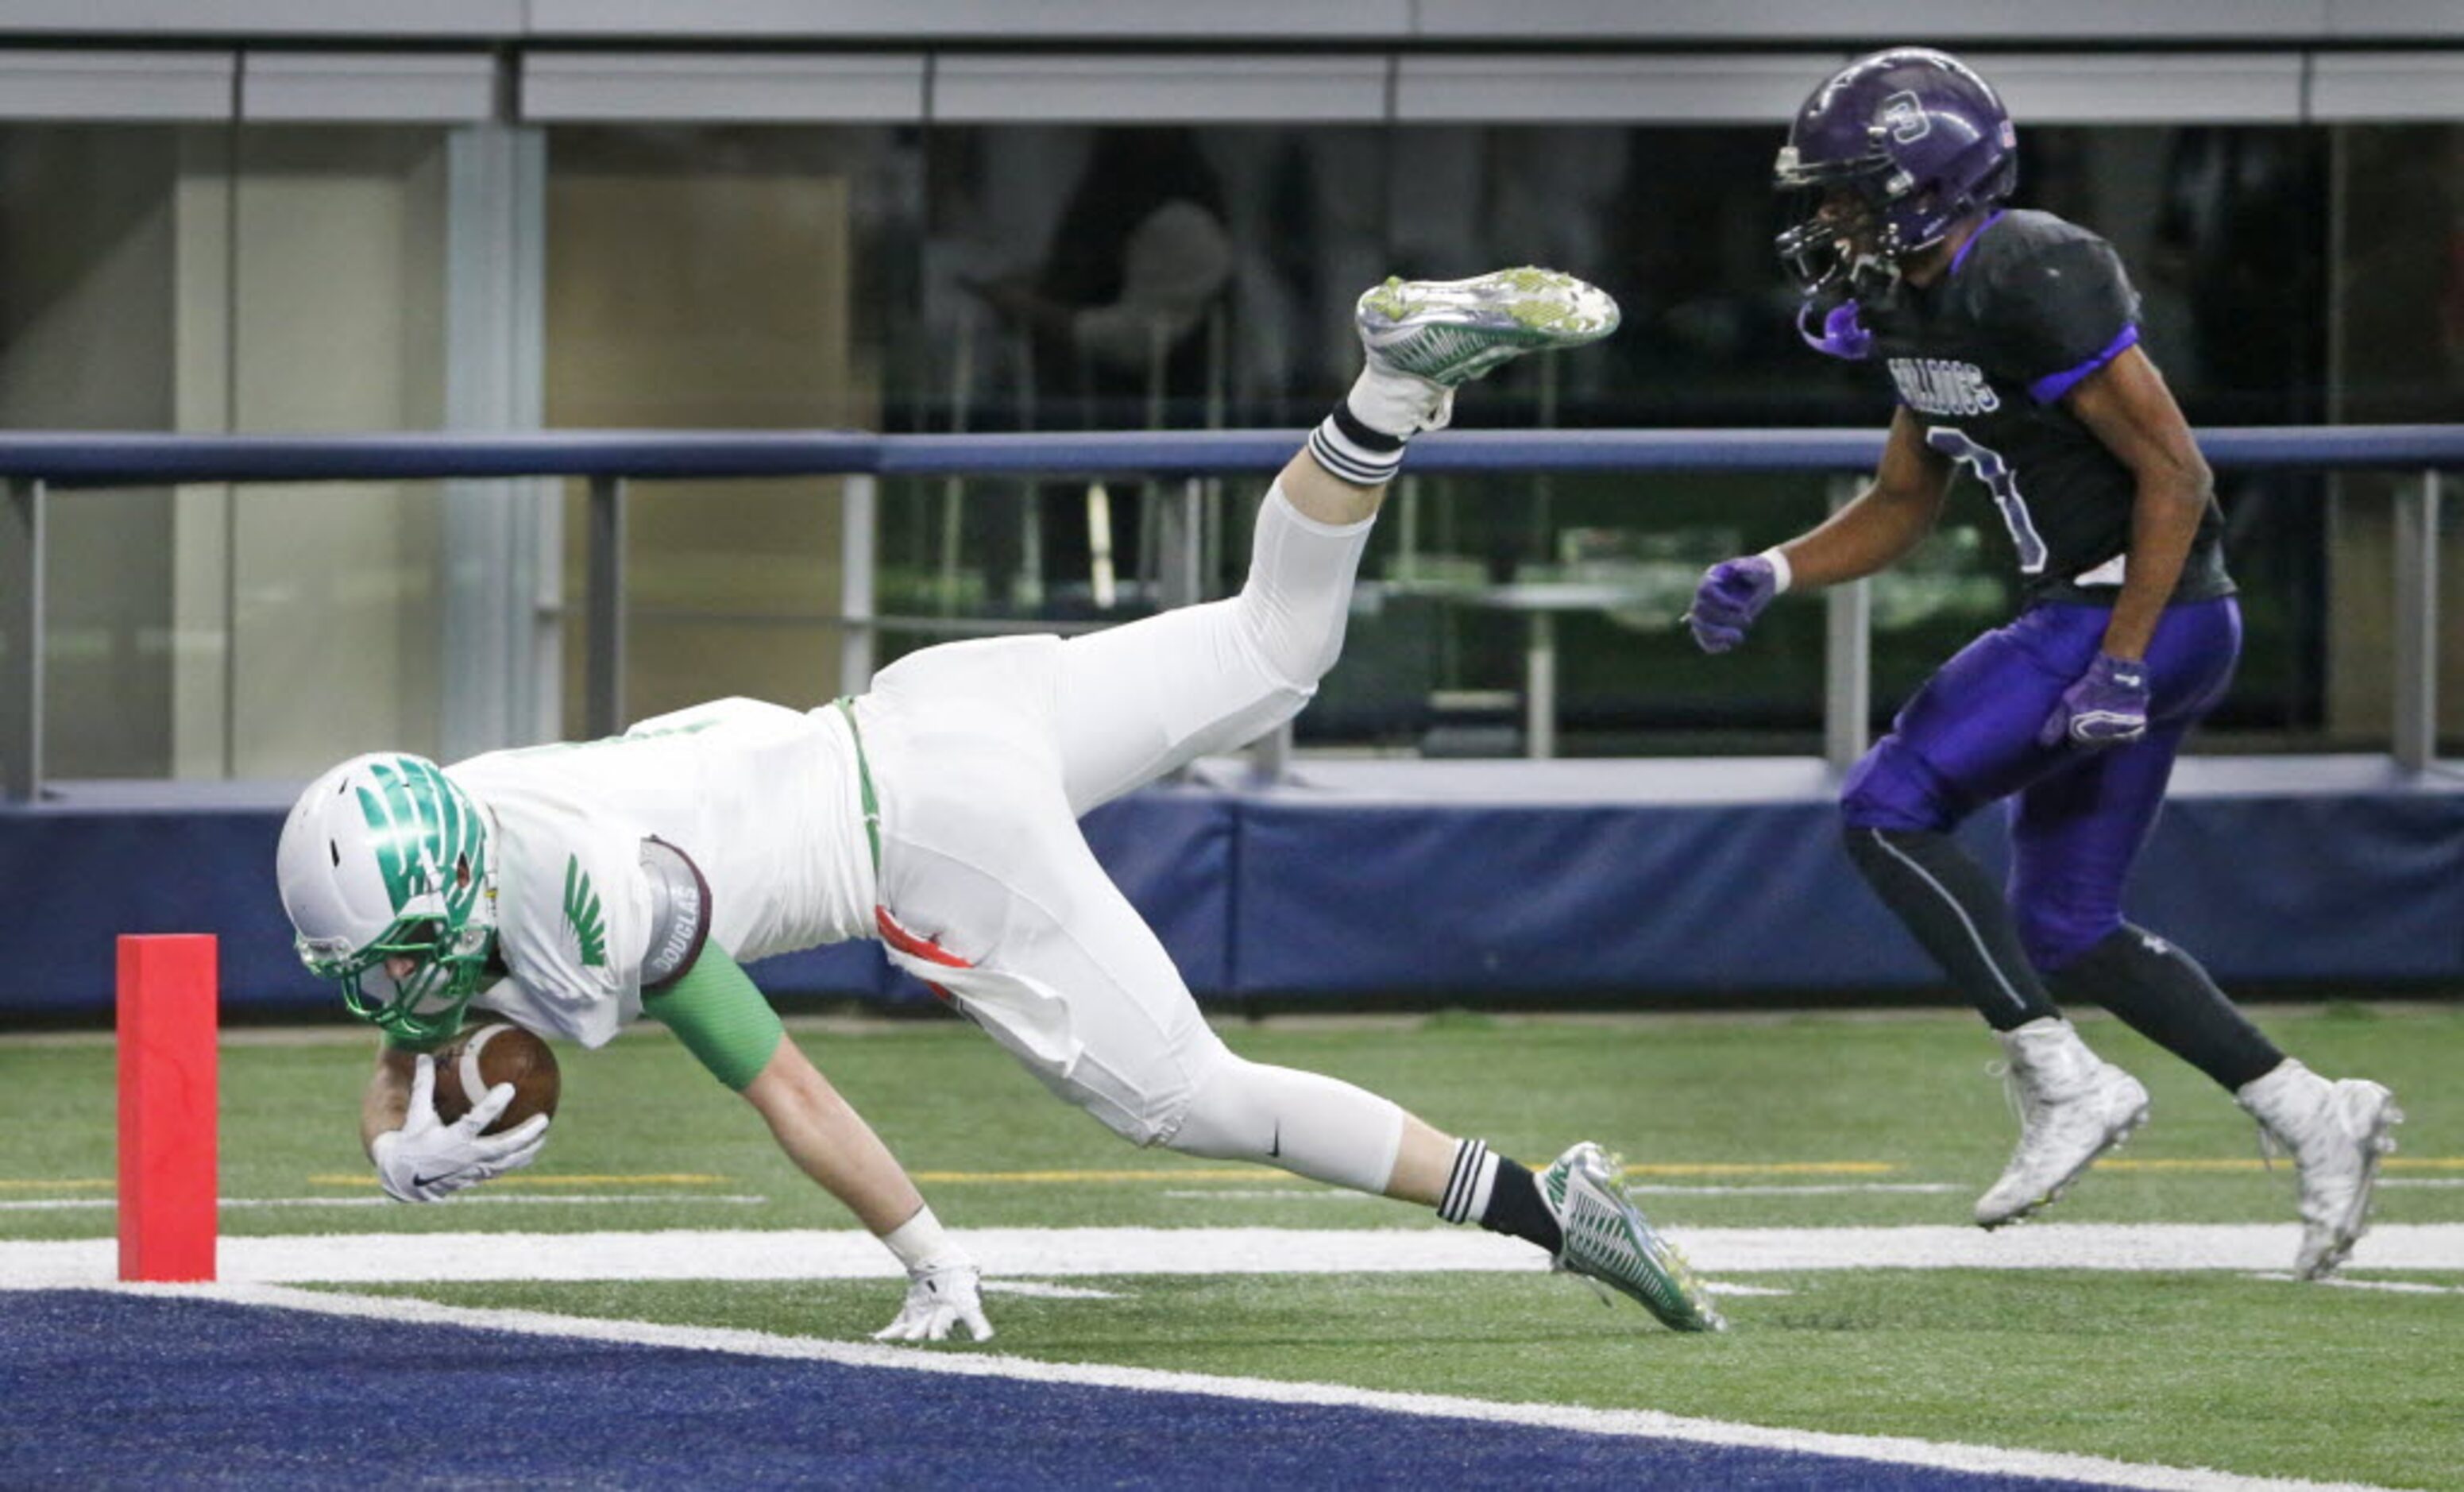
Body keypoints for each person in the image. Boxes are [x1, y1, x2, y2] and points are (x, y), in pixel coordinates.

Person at [276, 267, 1726, 1340]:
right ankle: (1394, 383)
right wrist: (395, 1135)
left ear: (457, 887)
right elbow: (412, 1018)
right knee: (1277, 645)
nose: (392, 987)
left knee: (1192, 1098)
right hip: (935, 704)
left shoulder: (604, 893)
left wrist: (926, 1253)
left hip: (928, 830)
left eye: (400, 956)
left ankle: (1551, 1206)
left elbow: (784, 1084)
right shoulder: (451, 818)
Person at [1686, 48, 2400, 1279]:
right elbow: (1902, 500)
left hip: (2132, 612)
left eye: (1851, 191)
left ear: (1924, 179)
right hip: (2122, 616)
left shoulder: (2028, 263)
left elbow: (2176, 474)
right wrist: (1777, 568)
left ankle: (2060, 1075)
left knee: (1887, 804)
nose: (1829, 218)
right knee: (2065, 923)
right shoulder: (1915, 297)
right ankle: (2309, 1110)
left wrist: (2120, 659)